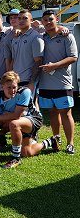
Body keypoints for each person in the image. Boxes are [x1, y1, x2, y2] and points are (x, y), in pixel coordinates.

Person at [0, 71, 59, 168]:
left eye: (14, 87)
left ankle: (15, 158)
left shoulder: (24, 92)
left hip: (33, 119)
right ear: (2, 86)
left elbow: (17, 115)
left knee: (14, 123)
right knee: (27, 152)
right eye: (9, 87)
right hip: (17, 121)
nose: (12, 90)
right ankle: (51, 141)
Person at [39, 10, 78, 155]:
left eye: (51, 19)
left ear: (57, 19)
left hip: (63, 83)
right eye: (45, 20)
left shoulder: (67, 36)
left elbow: (73, 57)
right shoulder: (41, 37)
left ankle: (70, 144)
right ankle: (56, 139)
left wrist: (54, 66)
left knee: (66, 113)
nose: (48, 22)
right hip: (45, 83)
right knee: (52, 112)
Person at [10, 9, 44, 90]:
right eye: (19, 18)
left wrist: (31, 82)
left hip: (28, 82)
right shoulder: (16, 38)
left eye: (25, 18)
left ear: (31, 20)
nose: (21, 20)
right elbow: (14, 60)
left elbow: (38, 61)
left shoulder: (36, 37)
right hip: (16, 81)